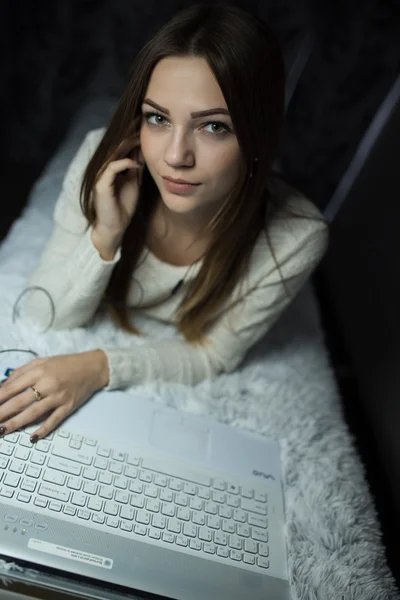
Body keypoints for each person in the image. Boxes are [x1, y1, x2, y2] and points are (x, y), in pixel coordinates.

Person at [0, 2, 328, 443]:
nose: (175, 156)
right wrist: (106, 234)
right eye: (158, 118)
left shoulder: (298, 235)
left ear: (257, 133)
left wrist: (98, 366)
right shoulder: (104, 157)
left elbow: (214, 355)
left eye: (213, 127)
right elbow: (45, 314)